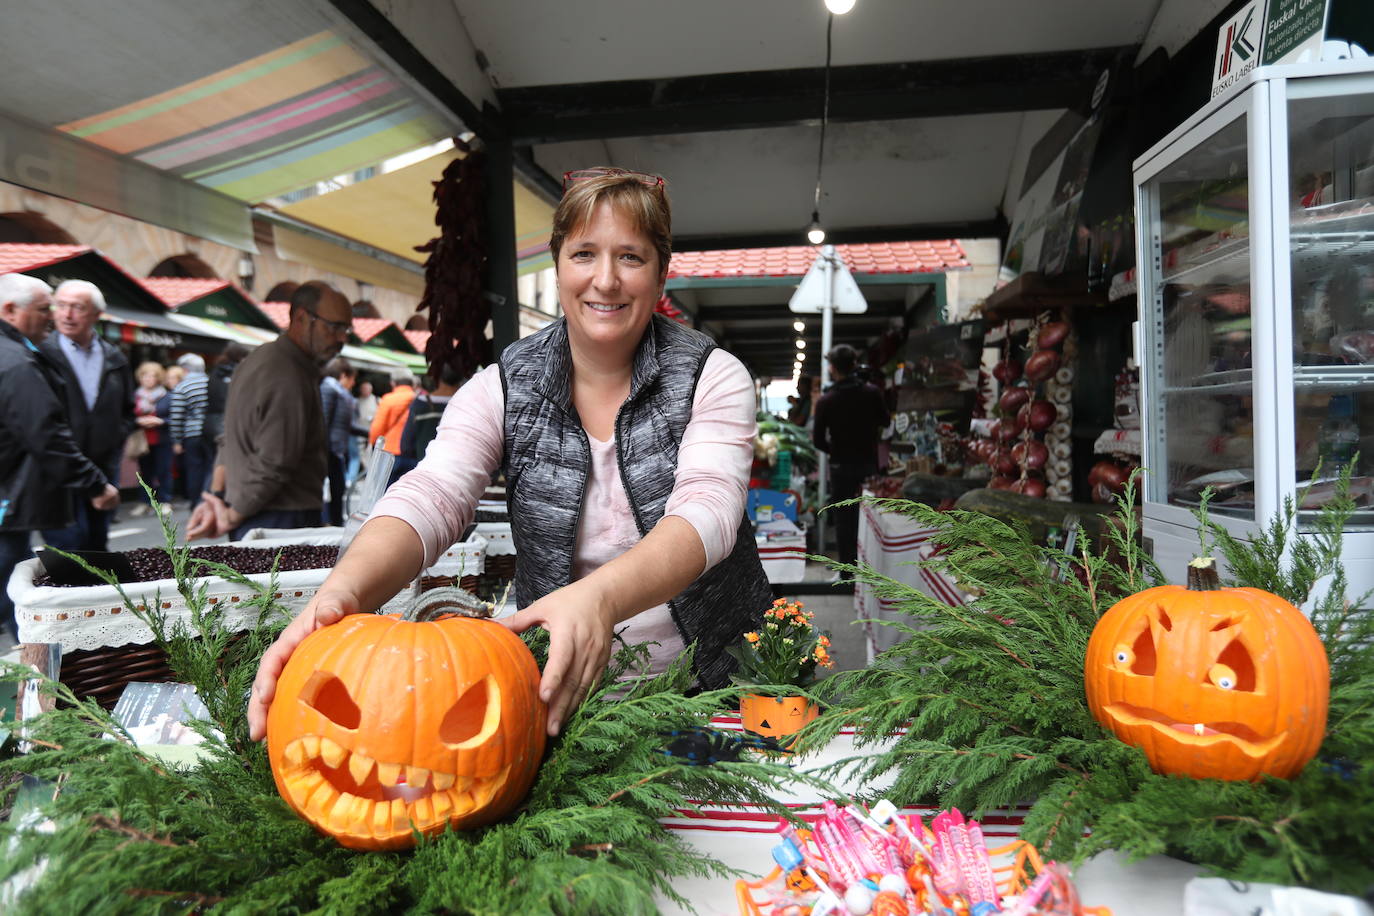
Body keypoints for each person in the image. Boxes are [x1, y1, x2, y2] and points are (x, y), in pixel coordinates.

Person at [246, 168, 771, 743]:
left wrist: (598, 598)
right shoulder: (503, 386)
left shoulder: (711, 375)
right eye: (584, 254)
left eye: (631, 257)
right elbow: (434, 492)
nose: (605, 280)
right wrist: (342, 592)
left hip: (714, 688)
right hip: (561, 696)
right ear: (557, 263)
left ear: (661, 272)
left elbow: (709, 513)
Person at [0, 274, 119, 639]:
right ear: (10, 310)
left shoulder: (22, 354)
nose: (53, 317)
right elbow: (45, 433)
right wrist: (95, 482)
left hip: (30, 487)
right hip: (19, 489)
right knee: (15, 584)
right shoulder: (18, 362)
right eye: (44, 309)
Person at [186, 281, 351, 542]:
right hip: (278, 517)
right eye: (334, 327)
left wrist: (218, 499)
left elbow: (229, 440)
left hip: (260, 512)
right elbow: (275, 460)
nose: (342, 338)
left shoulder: (260, 359)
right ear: (301, 317)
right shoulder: (287, 373)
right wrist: (233, 514)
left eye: (346, 329)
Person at [39, 279, 135, 551]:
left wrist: (115, 438)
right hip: (58, 470)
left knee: (97, 546)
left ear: (96, 314)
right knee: (69, 550)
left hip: (103, 467)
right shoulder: (41, 354)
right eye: (61, 306)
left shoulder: (114, 357)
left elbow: (128, 410)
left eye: (77, 307)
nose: (67, 314)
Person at [812, 344, 890, 567]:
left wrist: (836, 451)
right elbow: (885, 421)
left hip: (840, 466)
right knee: (870, 516)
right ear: (854, 364)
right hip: (868, 463)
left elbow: (818, 440)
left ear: (832, 368)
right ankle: (871, 567)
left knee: (844, 518)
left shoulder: (826, 400)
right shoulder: (872, 393)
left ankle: (847, 570)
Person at [319, 357, 361, 526]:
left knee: (338, 489)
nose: (353, 383)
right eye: (352, 379)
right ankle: (329, 524)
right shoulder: (329, 389)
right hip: (329, 450)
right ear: (343, 375)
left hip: (336, 449)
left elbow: (346, 425)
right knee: (333, 489)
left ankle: (334, 523)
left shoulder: (336, 391)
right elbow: (324, 420)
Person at [399, 360, 465, 463]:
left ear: (436, 376)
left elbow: (406, 446)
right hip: (459, 469)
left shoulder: (420, 404)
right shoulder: (467, 403)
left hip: (425, 468)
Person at [168, 353, 211, 508]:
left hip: (191, 434)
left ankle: (196, 503)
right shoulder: (211, 383)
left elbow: (177, 416)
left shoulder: (182, 386)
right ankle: (210, 501)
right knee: (211, 467)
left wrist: (177, 440)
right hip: (211, 433)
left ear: (185, 369)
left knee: (194, 469)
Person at [130, 361, 170, 514]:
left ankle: (165, 500)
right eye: (145, 376)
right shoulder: (135, 396)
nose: (148, 379)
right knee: (144, 472)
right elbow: (128, 416)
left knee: (163, 470)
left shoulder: (166, 396)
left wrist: (160, 421)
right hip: (142, 440)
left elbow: (176, 417)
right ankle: (145, 501)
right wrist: (138, 421)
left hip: (161, 438)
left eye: (152, 376)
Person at [204, 341, 249, 445]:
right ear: (239, 357)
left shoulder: (217, 370)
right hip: (224, 423)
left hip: (211, 422)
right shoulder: (235, 372)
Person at [369, 370, 416, 460]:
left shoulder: (389, 399)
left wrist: (373, 442)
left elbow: (377, 429)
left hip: (389, 451)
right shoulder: (417, 399)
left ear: (393, 383)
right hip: (413, 453)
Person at [351, 378, 378, 481]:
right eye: (363, 389)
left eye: (367, 388)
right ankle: (366, 472)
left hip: (372, 432)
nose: (365, 390)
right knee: (359, 454)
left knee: (369, 454)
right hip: (358, 432)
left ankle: (369, 474)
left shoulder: (376, 400)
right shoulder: (356, 401)